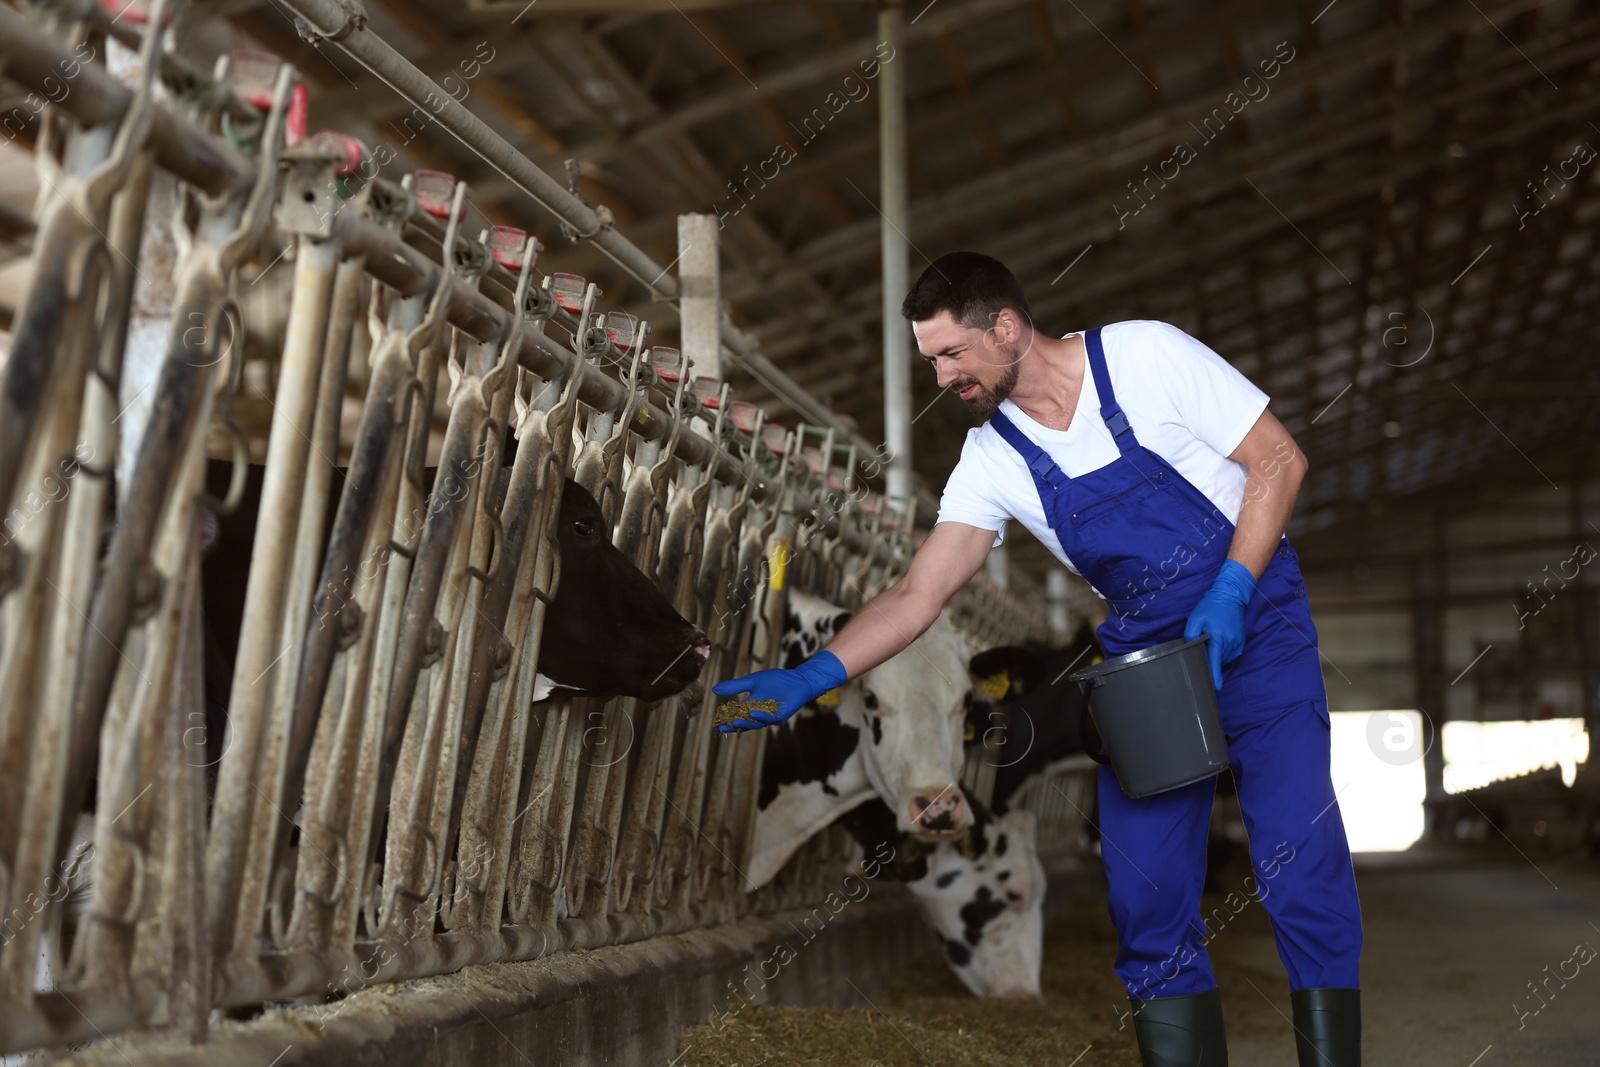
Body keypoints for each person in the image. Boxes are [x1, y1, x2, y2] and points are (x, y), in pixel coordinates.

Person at [712, 252, 1362, 1066]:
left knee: (1299, 861)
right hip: (1149, 661)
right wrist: (815, 674)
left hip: (1257, 628)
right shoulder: (995, 460)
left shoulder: (1145, 357)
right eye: (932, 360)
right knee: (1147, 895)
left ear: (1009, 328)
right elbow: (920, 594)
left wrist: (1232, 585)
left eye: (951, 353)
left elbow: (1278, 460)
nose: (943, 376)